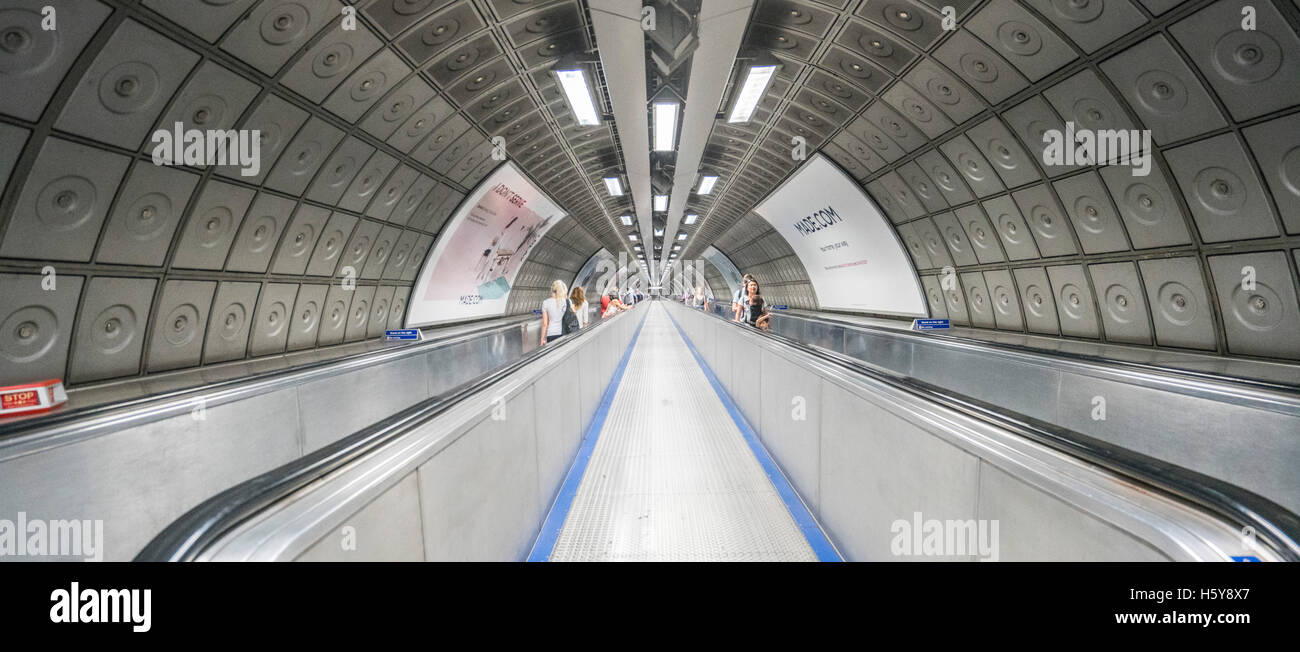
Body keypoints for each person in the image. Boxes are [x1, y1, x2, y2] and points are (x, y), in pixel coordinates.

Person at [539, 279, 576, 346]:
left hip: (551, 334)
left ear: (552, 290)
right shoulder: (568, 302)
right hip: (564, 333)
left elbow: (545, 323)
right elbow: (572, 317)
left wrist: (542, 339)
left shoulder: (546, 302)